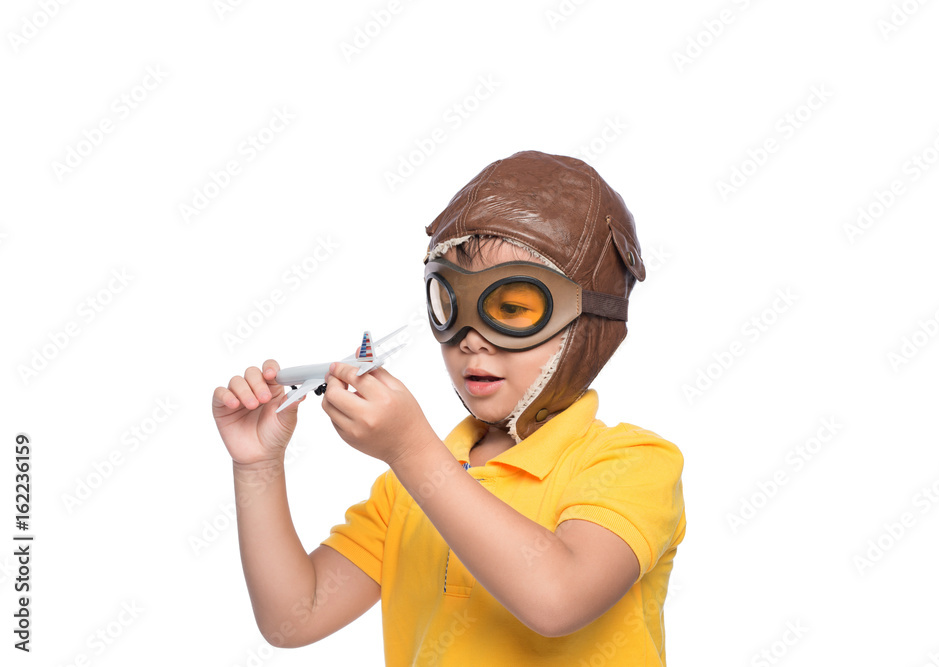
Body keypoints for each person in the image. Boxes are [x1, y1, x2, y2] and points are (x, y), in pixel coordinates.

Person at [212, 150, 685, 665]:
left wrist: (412, 451)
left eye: (513, 308)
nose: (471, 340)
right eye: (450, 304)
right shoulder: (406, 489)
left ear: (587, 320)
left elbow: (558, 599)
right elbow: (293, 618)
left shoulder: (633, 462)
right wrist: (257, 465)